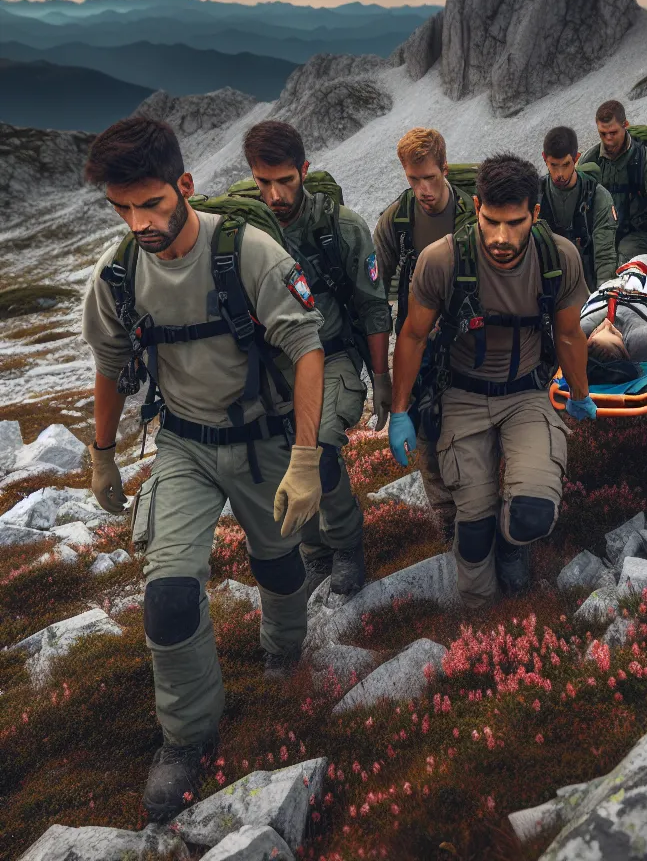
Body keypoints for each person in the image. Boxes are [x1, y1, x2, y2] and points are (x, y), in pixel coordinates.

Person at [81, 117, 325, 820]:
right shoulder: (119, 274)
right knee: (170, 595)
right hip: (183, 446)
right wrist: (101, 454)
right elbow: (109, 363)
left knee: (279, 564)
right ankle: (187, 738)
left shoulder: (248, 254)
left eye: (152, 204)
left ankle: (284, 650)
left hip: (261, 439)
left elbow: (306, 348)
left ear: (184, 186)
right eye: (123, 210)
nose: (139, 223)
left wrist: (305, 458)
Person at [386, 152, 596, 609]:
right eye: (490, 221)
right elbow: (413, 335)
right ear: (476, 206)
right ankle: (480, 612)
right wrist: (399, 411)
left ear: (535, 214)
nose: (502, 237)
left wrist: (580, 394)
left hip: (526, 392)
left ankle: (513, 545)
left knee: (532, 515)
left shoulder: (558, 258)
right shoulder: (441, 260)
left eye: (515, 223)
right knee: (472, 532)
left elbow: (568, 332)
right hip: (462, 394)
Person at [241, 120, 391, 595]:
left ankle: (347, 543)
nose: (275, 193)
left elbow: (371, 305)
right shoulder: (241, 231)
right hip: (273, 367)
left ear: (303, 170)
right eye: (264, 181)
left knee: (321, 453)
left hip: (332, 357)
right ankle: (313, 551)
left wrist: (382, 380)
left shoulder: (340, 227)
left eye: (285, 180)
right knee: (281, 460)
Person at [373, 128, 475, 538]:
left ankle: (480, 510)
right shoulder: (395, 221)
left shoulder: (474, 214)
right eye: (413, 180)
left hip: (470, 341)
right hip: (417, 344)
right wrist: (381, 376)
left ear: (445, 169)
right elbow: (373, 297)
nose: (422, 189)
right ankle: (449, 525)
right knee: (427, 437)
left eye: (429, 178)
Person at [577, 100, 647, 263]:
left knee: (623, 261)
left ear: (625, 125)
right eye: (603, 134)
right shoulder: (589, 161)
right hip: (602, 233)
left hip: (638, 234)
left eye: (613, 132)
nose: (608, 139)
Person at [538, 125, 618, 291]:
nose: (560, 173)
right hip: (547, 284)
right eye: (553, 165)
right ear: (544, 158)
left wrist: (603, 296)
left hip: (588, 284)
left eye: (565, 165)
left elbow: (604, 255)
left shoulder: (598, 196)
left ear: (576, 158)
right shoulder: (535, 196)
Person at [582, 253, 647, 366]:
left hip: (621, 282)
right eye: (613, 332)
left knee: (642, 261)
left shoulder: (583, 328)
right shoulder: (643, 340)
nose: (606, 325)